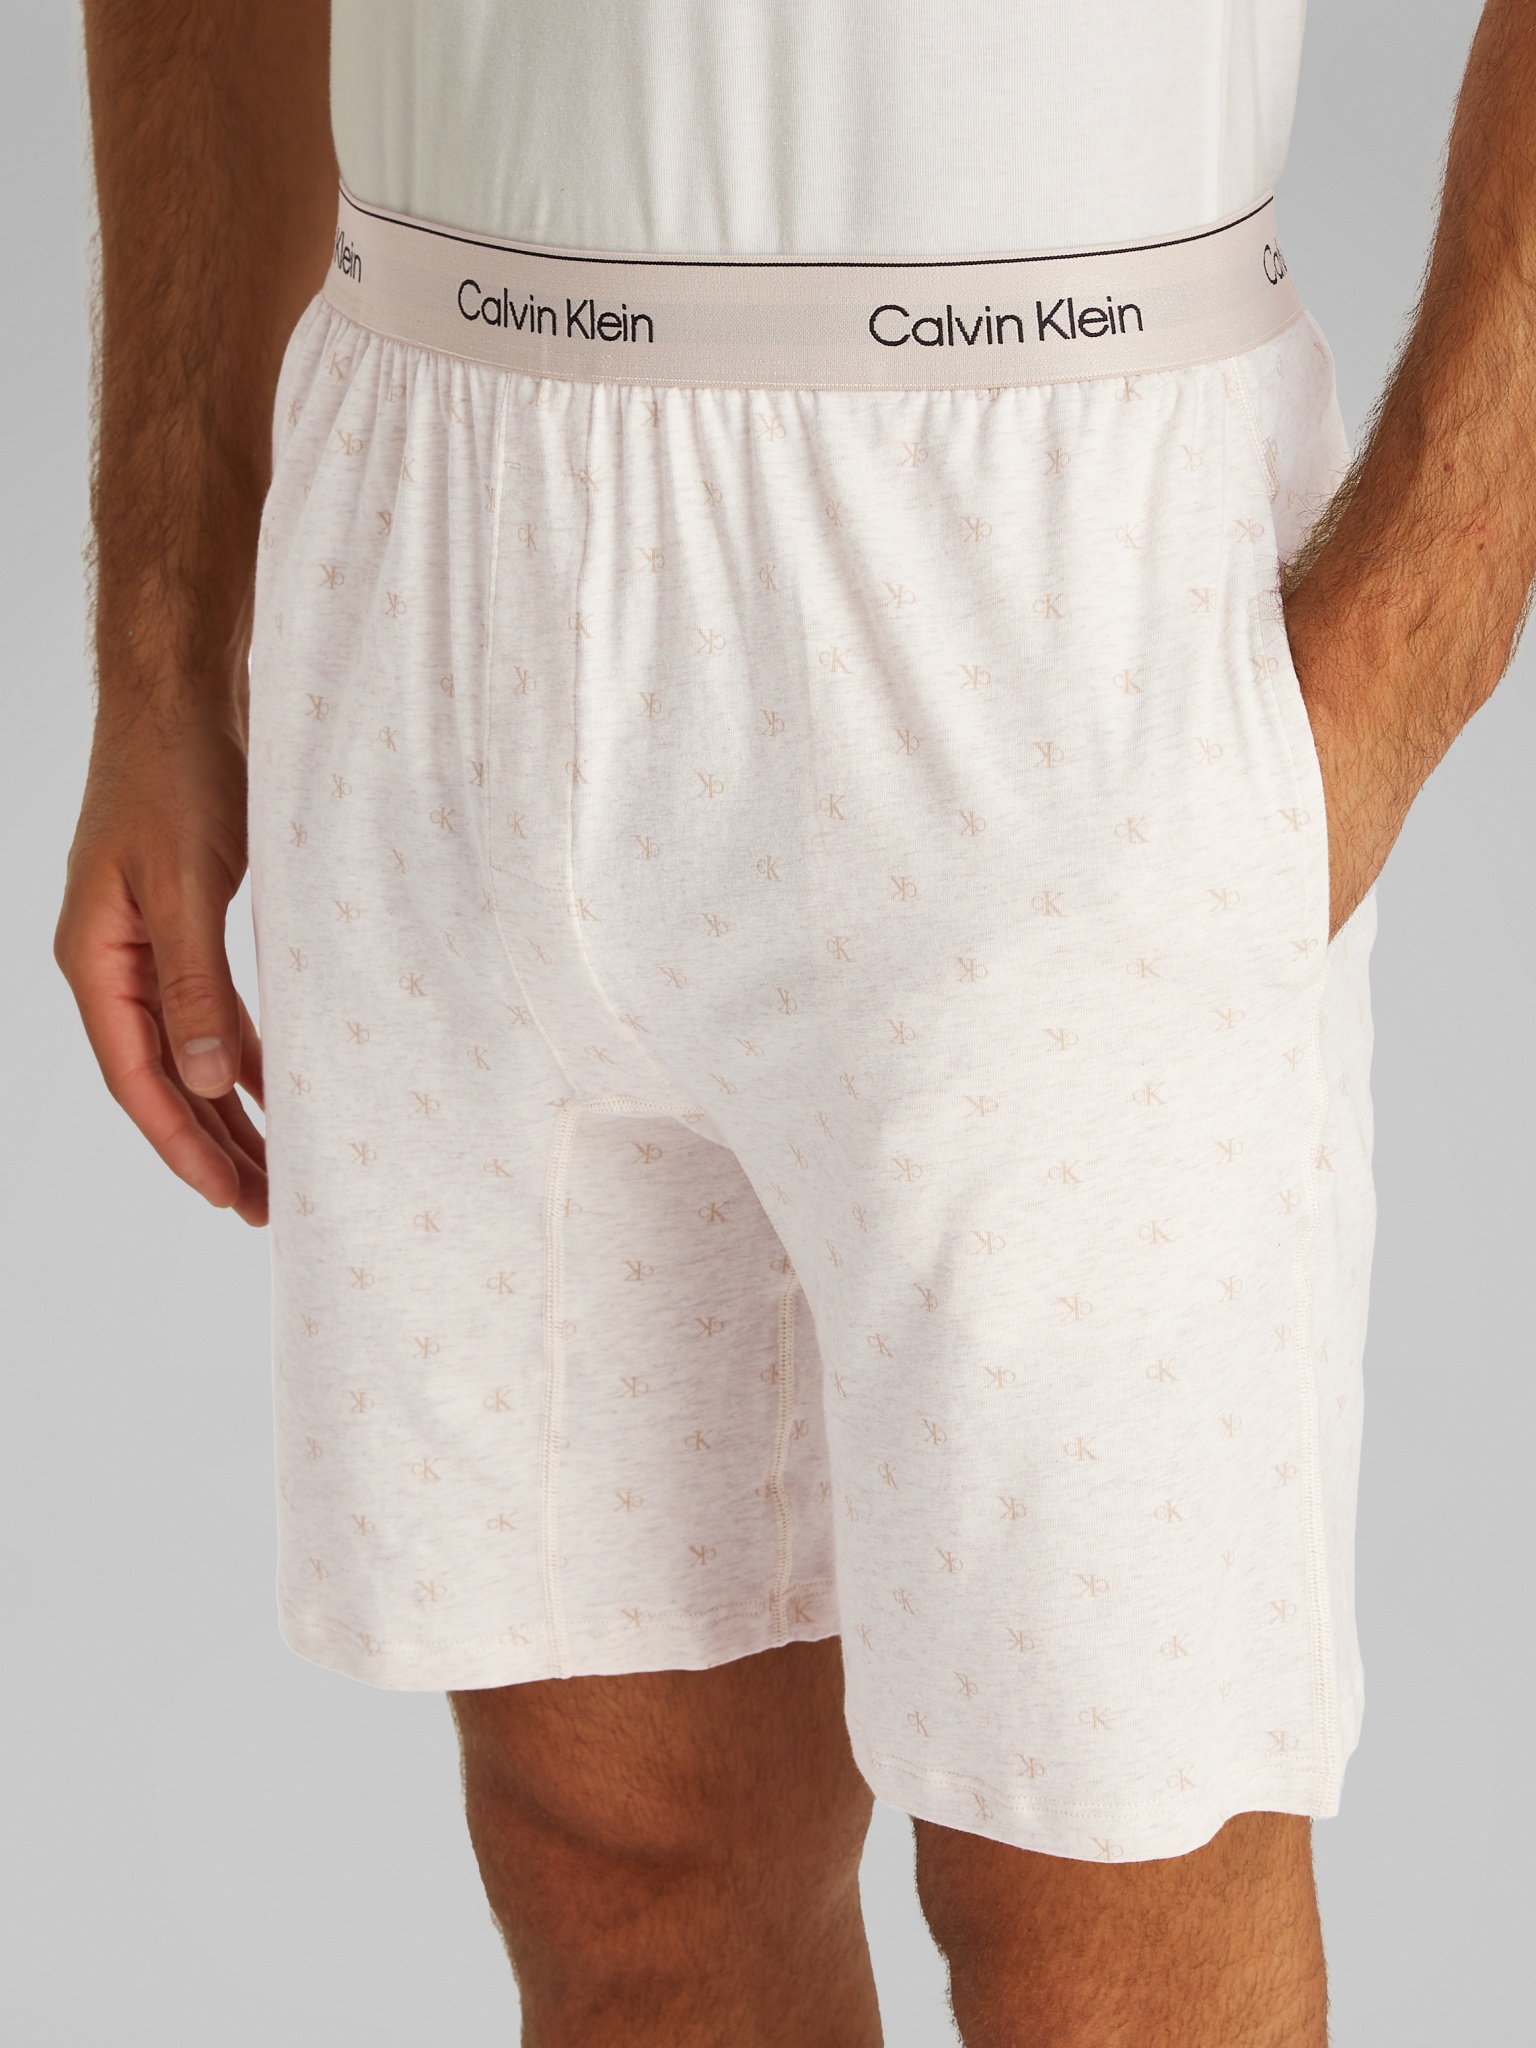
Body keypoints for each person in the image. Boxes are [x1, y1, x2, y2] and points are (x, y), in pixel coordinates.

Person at [53, 3, 1535, 2042]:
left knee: (1109, 1913)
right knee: (619, 1857)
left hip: (1047, 568)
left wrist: (1408, 644)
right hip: (445, 564)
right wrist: (162, 638)